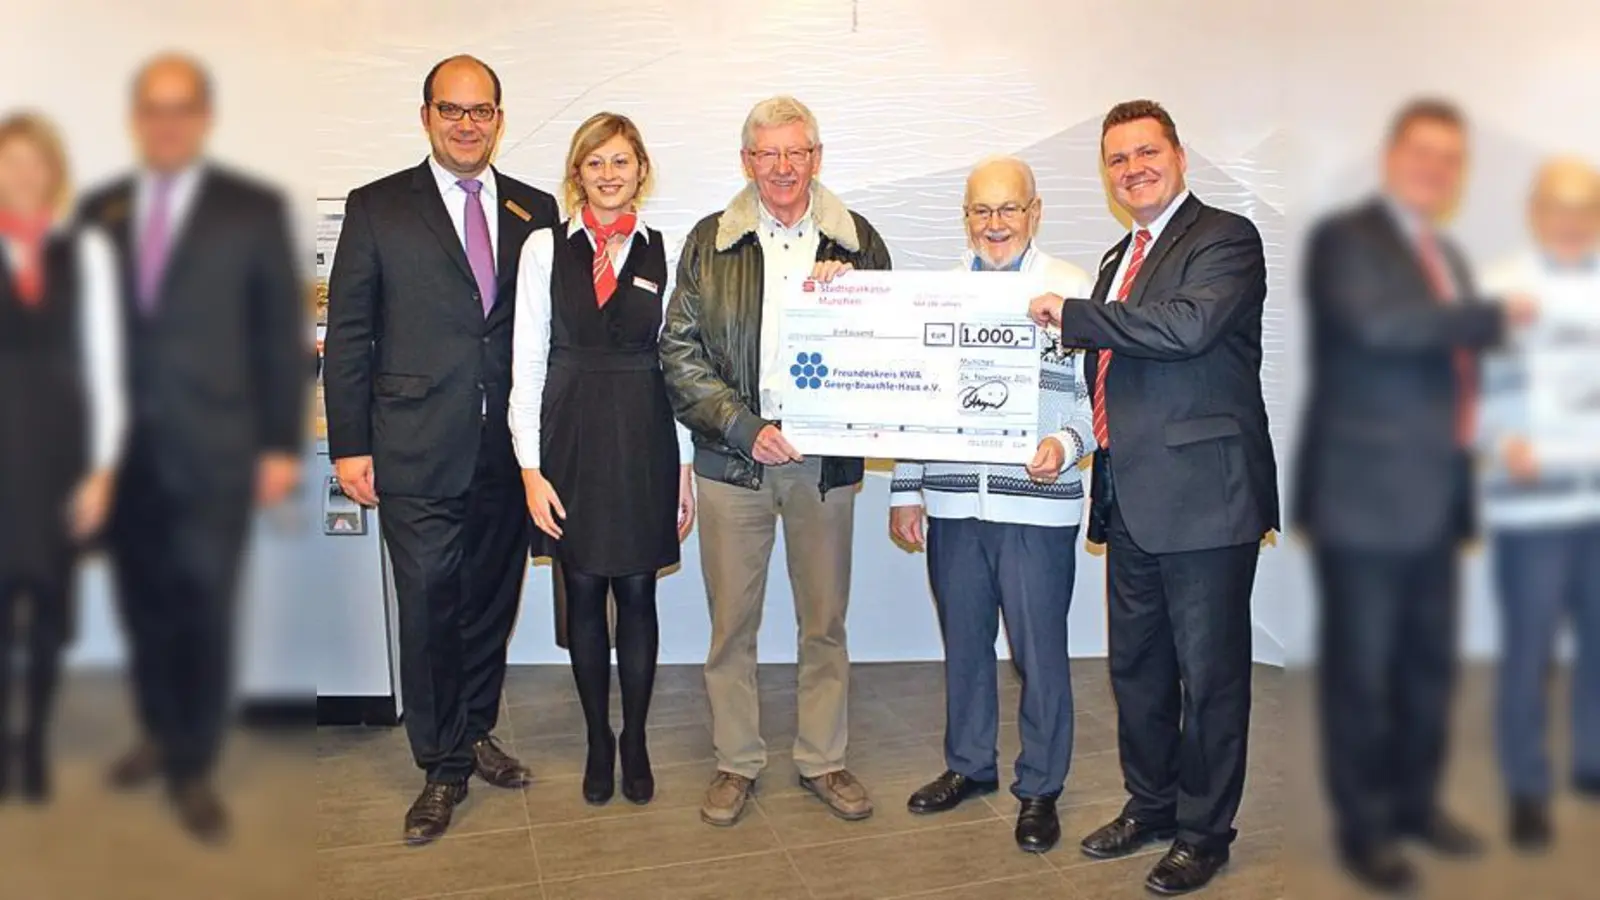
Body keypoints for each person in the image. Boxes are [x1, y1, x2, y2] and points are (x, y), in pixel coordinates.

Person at [1028, 99, 1278, 894]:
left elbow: (1186, 328)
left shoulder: (1226, 238)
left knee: (1210, 679)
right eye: (1117, 159)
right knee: (1137, 668)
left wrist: (1072, 316)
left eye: (1146, 153)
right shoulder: (1116, 257)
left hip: (1207, 500)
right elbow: (1108, 368)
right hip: (1131, 498)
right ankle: (1153, 806)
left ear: (1178, 154)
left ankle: (1205, 832)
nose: (1132, 168)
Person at [1292, 99, 1535, 893]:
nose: (1436, 169)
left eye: (1450, 158)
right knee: (1362, 675)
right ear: (1392, 155)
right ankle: (1366, 831)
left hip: (1437, 497)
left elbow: (1463, 371)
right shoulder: (1346, 240)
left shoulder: (1448, 255)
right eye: (1423, 153)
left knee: (1429, 668)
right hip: (1364, 501)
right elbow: (1384, 329)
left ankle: (1416, 806)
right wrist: (1503, 313)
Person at [323, 54, 559, 845]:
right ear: (426, 115)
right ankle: (440, 764)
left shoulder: (536, 210)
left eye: (482, 110)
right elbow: (351, 336)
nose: (467, 123)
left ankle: (475, 729)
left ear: (499, 117)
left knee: (491, 601)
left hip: (508, 454)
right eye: (451, 110)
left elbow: (547, 335)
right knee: (429, 605)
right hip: (414, 447)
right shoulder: (379, 207)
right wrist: (349, 445)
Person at [78, 54, 305, 842]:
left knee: (205, 607)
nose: (166, 122)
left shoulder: (250, 208)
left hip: (218, 449)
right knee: (143, 606)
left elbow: (279, 333)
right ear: (137, 119)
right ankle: (156, 731)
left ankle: (194, 766)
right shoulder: (102, 207)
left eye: (181, 108)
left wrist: (279, 443)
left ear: (204, 118)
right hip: (123, 457)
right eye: (152, 108)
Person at [660, 96, 891, 827]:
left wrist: (852, 303)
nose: (783, 168)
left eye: (797, 153)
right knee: (733, 624)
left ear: (816, 158)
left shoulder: (857, 243)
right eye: (768, 154)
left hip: (823, 465)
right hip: (734, 465)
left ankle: (824, 758)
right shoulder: (709, 242)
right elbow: (679, 352)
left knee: (825, 621)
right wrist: (740, 425)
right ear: (747, 162)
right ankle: (737, 760)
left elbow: (891, 347)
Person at [890, 156, 1095, 854]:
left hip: (1037, 504)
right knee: (966, 645)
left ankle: (1040, 786)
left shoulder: (1071, 289)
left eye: (1009, 209)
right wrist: (908, 487)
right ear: (966, 218)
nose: (995, 224)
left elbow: (1104, 398)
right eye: (982, 210)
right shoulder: (938, 293)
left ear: (1035, 213)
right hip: (952, 504)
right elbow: (916, 402)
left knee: (1041, 654)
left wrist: (1066, 446)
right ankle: (969, 765)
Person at [509, 112, 695, 807]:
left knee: (639, 593)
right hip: (570, 434)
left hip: (645, 432)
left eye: (621, 161)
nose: (609, 174)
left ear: (640, 169)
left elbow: (675, 366)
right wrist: (529, 468)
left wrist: (681, 469)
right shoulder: (542, 248)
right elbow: (525, 360)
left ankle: (637, 737)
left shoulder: (660, 248)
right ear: (577, 173)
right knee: (583, 589)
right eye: (596, 163)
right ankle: (597, 737)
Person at [0, 112, 125, 804]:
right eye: (8, 161)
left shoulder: (87, 252)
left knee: (48, 611)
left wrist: (104, 470)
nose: (21, 175)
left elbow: (107, 369)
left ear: (50, 173)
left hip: (58, 463)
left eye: (33, 162)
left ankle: (30, 745)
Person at [1477, 157, 1600, 852]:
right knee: (1529, 649)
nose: (1573, 219)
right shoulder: (1503, 288)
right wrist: (1507, 437)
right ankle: (1526, 786)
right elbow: (1473, 385)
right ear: (1537, 211)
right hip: (1532, 508)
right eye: (1560, 204)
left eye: (1586, 206)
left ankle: (1589, 761)